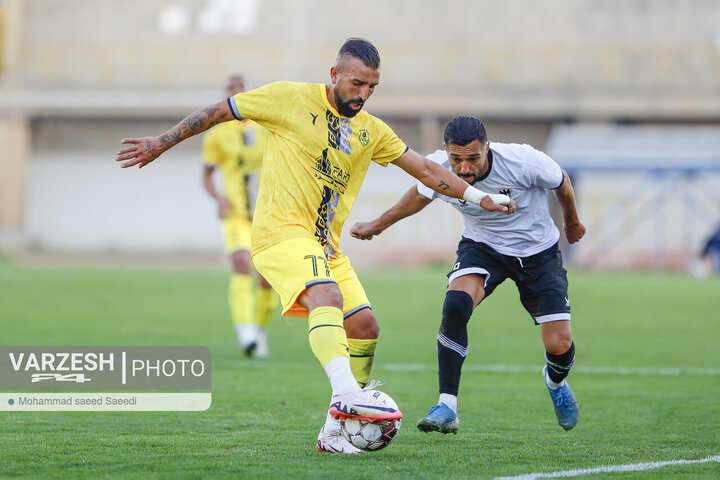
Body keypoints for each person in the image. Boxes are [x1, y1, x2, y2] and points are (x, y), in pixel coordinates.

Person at [116, 39, 514, 454]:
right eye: (357, 83)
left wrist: (478, 197)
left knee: (364, 327)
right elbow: (221, 110)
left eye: (372, 87)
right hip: (280, 234)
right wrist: (162, 141)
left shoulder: (371, 131)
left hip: (325, 247)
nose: (363, 94)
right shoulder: (288, 98)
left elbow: (429, 170)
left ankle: (334, 431)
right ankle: (345, 396)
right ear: (334, 74)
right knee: (327, 294)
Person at [351, 116, 586, 433]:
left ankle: (555, 383)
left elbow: (561, 182)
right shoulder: (438, 167)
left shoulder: (523, 160)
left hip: (537, 253)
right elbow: (420, 194)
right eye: (456, 159)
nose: (463, 168)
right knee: (456, 304)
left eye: (473, 158)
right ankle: (447, 406)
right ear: (446, 151)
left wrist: (571, 222)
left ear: (487, 148)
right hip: (482, 247)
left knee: (559, 345)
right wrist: (376, 225)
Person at [201, 74, 278, 358]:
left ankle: (259, 333)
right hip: (235, 215)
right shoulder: (216, 133)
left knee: (267, 280)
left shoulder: (264, 127)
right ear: (225, 94)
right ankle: (245, 332)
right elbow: (206, 175)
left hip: (266, 216)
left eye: (240, 89)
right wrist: (218, 197)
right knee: (241, 263)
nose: (236, 92)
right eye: (230, 89)